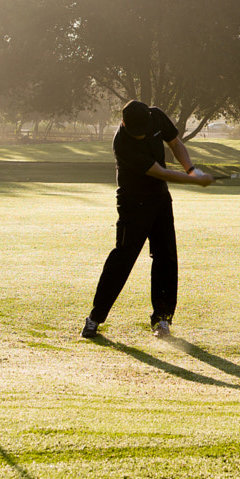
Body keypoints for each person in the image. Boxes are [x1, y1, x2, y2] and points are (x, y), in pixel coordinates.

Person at [83, 100, 213, 340]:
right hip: (133, 203)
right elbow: (161, 172)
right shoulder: (122, 144)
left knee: (166, 256)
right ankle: (95, 318)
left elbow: (175, 142)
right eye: (137, 134)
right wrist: (196, 181)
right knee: (123, 258)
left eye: (144, 133)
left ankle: (162, 319)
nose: (141, 137)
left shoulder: (156, 117)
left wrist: (192, 170)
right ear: (123, 123)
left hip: (160, 200)